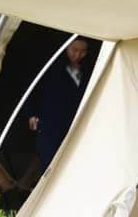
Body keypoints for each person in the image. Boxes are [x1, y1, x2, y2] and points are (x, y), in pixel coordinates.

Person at [28, 38, 91, 173]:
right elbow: (33, 90)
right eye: (74, 50)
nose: (78, 55)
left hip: (75, 124)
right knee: (49, 165)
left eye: (83, 52)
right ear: (66, 47)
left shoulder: (88, 70)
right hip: (50, 124)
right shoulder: (51, 66)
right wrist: (31, 114)